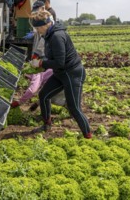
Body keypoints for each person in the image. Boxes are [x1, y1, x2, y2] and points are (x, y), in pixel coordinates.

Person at [29, 9, 92, 139]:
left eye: (36, 28)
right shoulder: (49, 34)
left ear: (43, 25)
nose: (36, 31)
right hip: (61, 73)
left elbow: (60, 62)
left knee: (74, 108)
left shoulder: (57, 36)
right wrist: (40, 60)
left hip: (72, 73)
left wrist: (41, 63)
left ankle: (88, 136)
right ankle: (46, 124)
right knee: (44, 95)